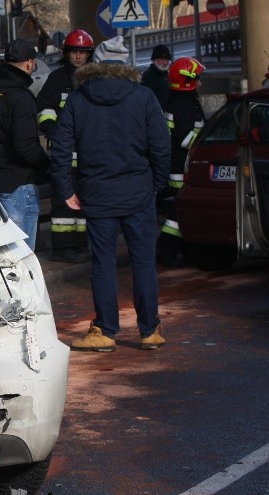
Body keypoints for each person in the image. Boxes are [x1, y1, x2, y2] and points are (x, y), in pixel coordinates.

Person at [49, 35, 170, 352]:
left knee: (103, 264)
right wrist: (157, 182)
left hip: (97, 193)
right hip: (138, 193)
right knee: (143, 263)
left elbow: (60, 148)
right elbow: (160, 145)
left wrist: (65, 189)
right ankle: (150, 330)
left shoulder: (78, 99)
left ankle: (105, 330)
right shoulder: (143, 96)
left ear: (96, 64)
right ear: (125, 66)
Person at [0, 39, 49, 251]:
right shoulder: (22, 98)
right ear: (29, 63)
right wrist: (46, 164)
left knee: (5, 256)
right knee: (21, 257)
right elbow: (26, 148)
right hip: (20, 185)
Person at [36, 29, 94, 263]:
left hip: (89, 155)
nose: (78, 57)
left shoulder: (94, 79)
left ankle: (80, 245)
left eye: (83, 52)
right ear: (66, 53)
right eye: (74, 52)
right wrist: (55, 133)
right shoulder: (57, 79)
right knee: (63, 205)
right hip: (64, 155)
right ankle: (62, 249)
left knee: (85, 204)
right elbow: (45, 109)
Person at [157, 57, 206, 268]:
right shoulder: (184, 104)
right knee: (178, 217)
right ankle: (167, 252)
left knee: (177, 216)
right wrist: (206, 135)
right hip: (180, 170)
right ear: (188, 80)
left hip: (176, 167)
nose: (201, 83)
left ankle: (179, 252)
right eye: (198, 78)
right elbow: (186, 139)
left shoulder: (178, 99)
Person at [141, 44, 172, 110]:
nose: (165, 63)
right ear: (154, 60)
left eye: (167, 59)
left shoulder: (165, 75)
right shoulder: (148, 77)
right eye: (162, 59)